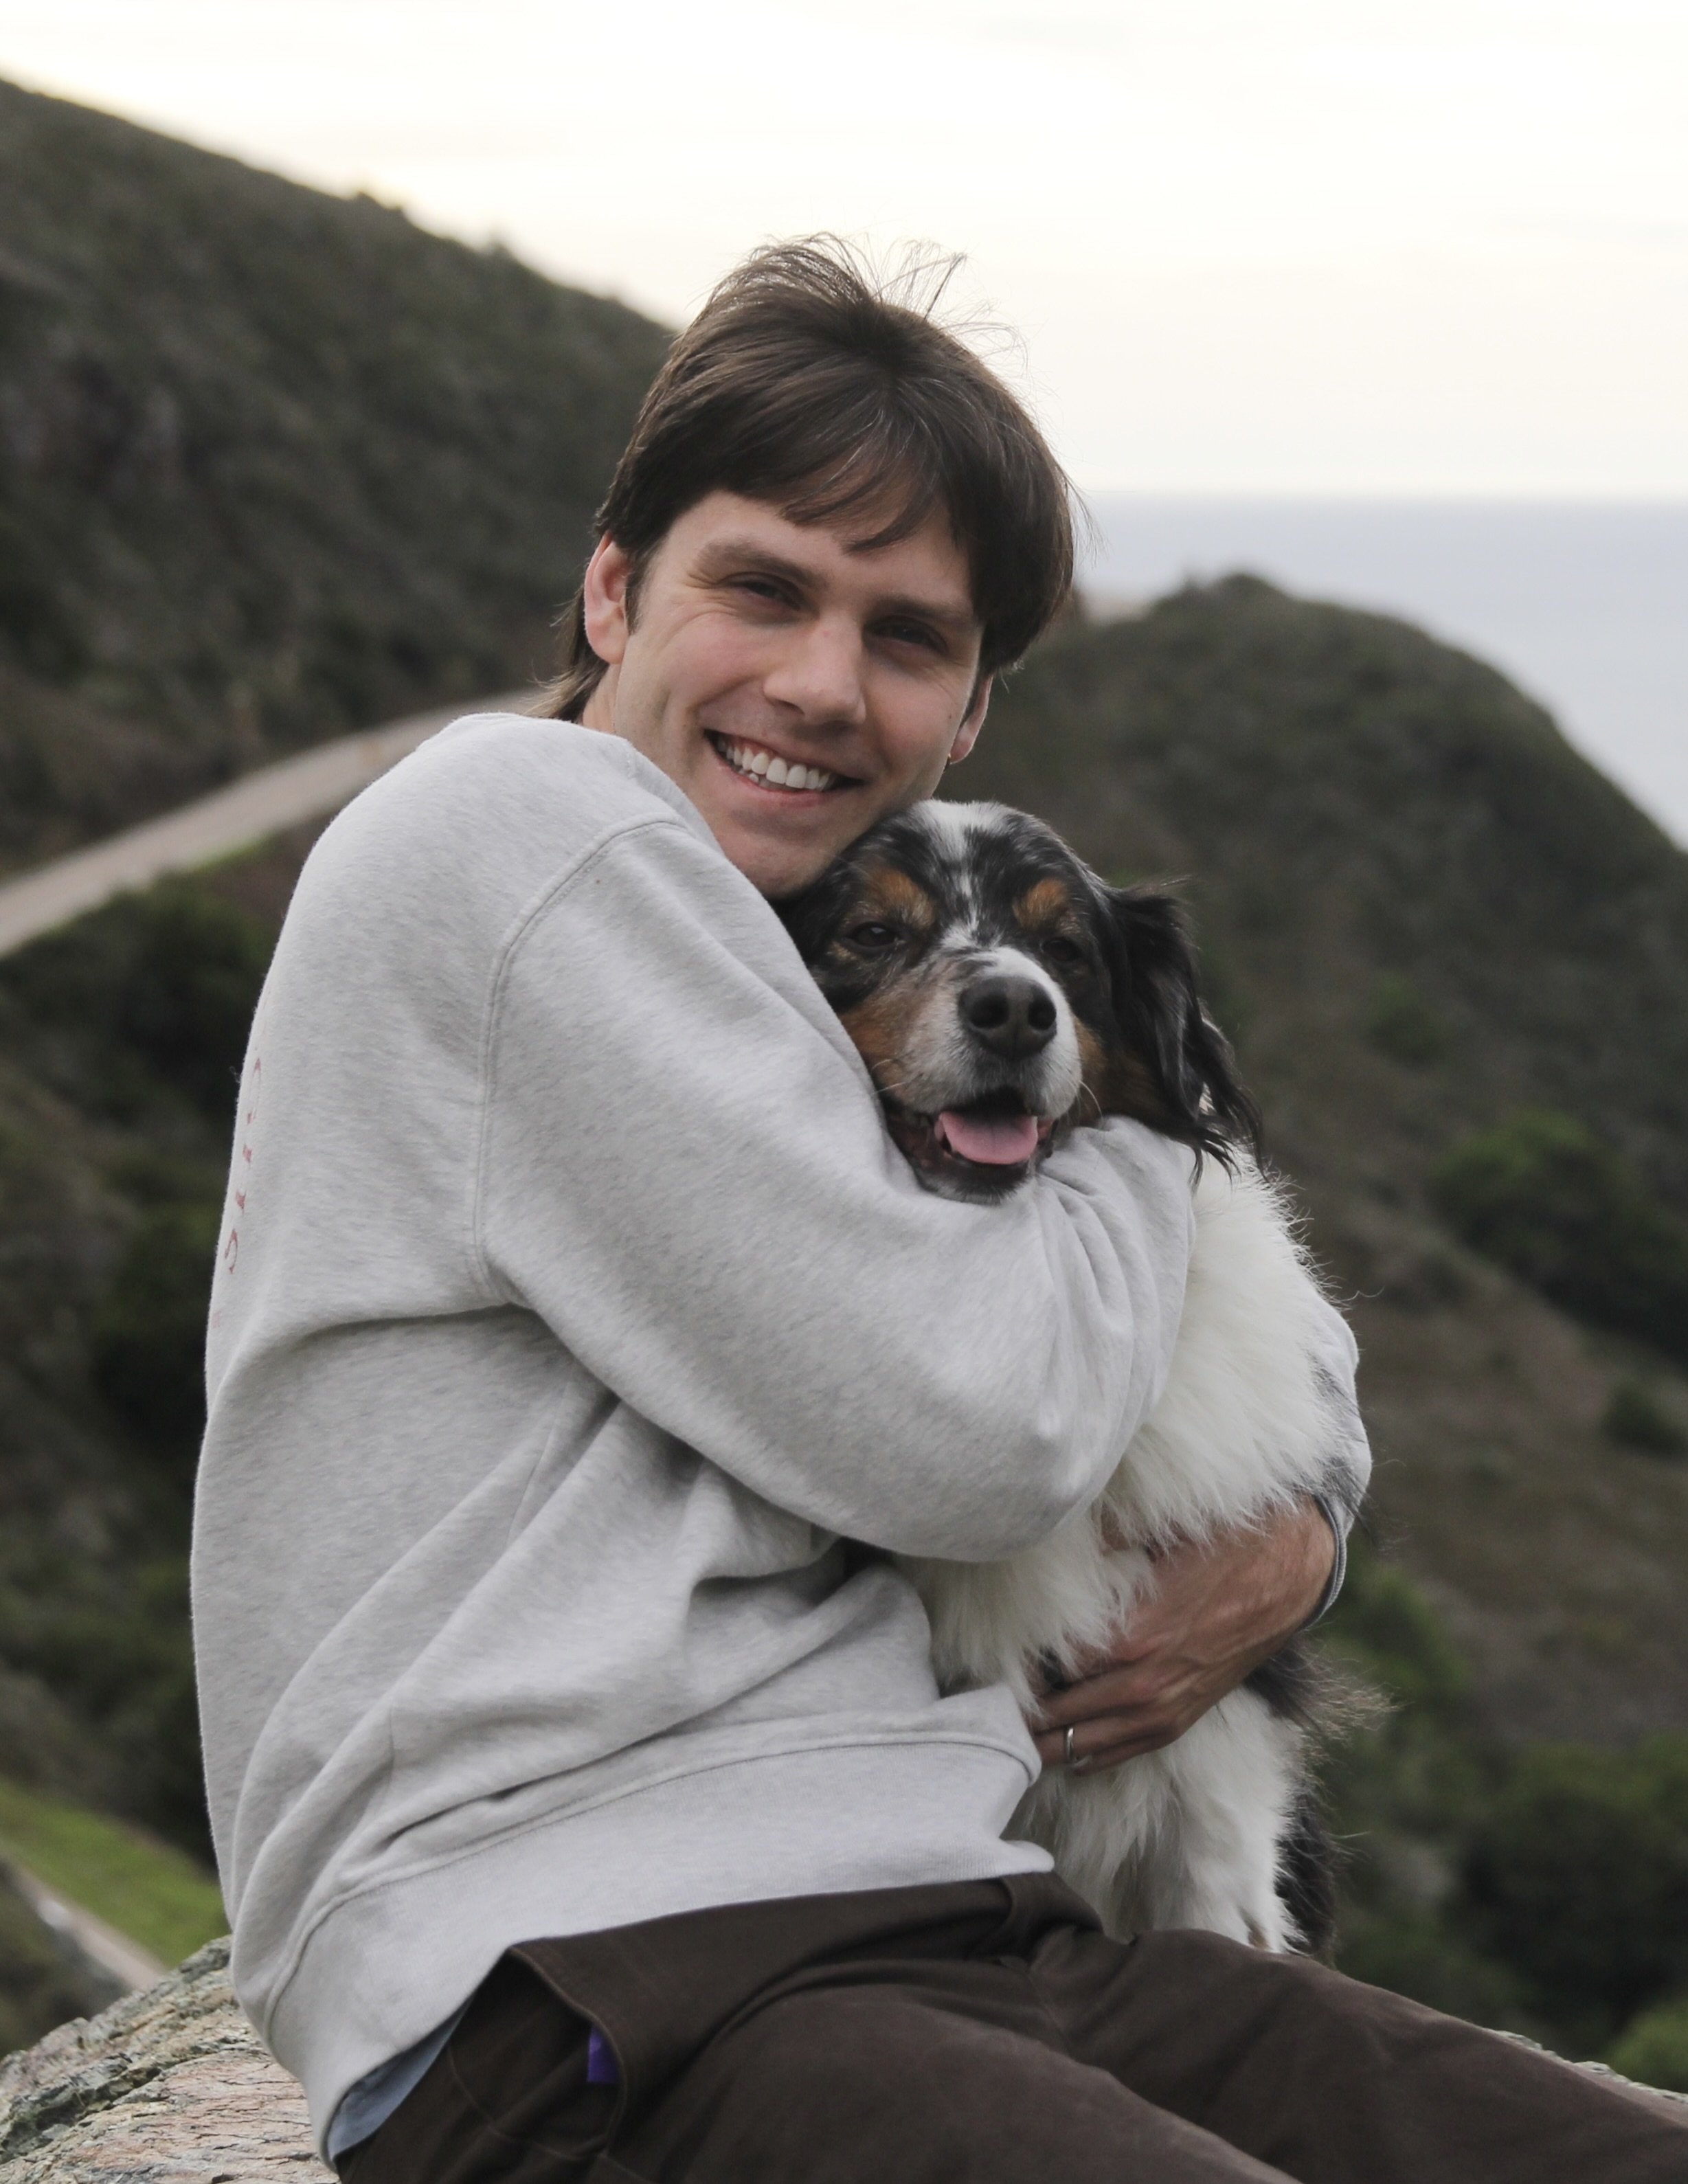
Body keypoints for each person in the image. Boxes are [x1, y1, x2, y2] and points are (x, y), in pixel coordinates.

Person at [192, 241, 1685, 2182]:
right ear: (613, 587)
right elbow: (981, 1432)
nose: (820, 684)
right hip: (592, 1989)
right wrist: (1136, 1089)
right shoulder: (519, 843)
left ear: (970, 710)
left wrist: (1301, 1525)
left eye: (906, 637)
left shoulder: (776, 985)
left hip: (955, 1915)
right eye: (762, 590)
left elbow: (1250, 1339)